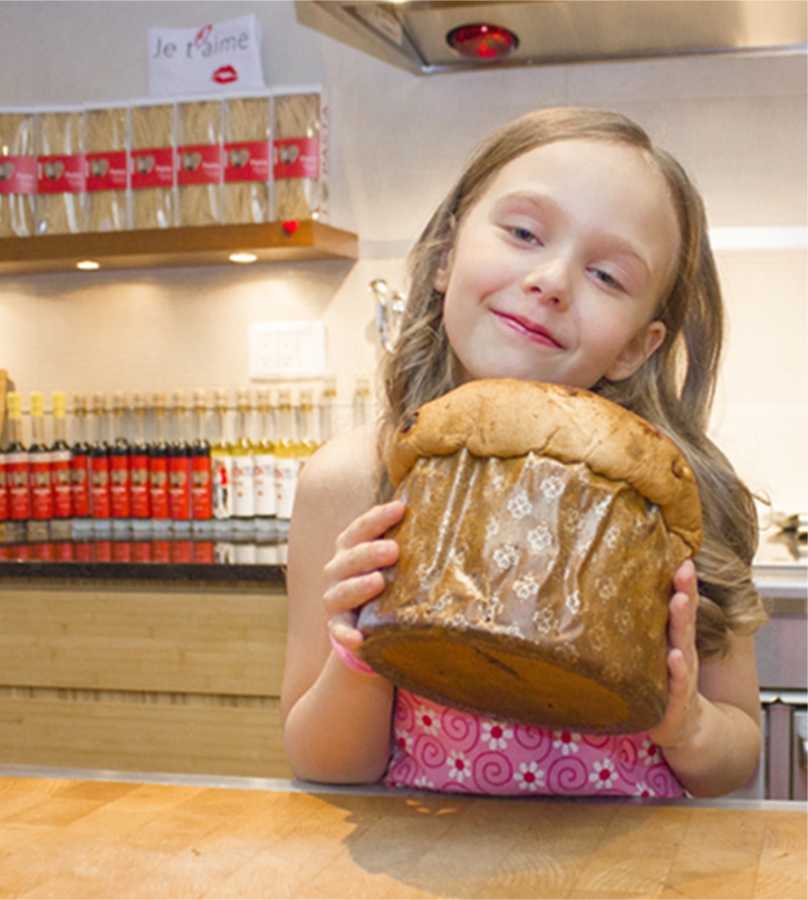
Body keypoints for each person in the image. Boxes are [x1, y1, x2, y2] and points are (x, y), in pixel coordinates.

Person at [281, 107, 768, 799]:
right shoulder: (352, 482)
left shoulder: (677, 502)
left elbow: (735, 759)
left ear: (636, 346)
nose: (551, 279)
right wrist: (359, 654)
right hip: (423, 866)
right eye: (521, 232)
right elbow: (322, 764)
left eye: (607, 276)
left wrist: (686, 723)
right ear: (446, 254)